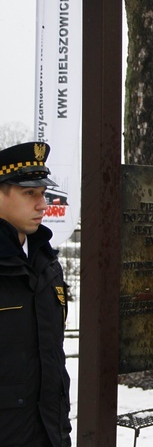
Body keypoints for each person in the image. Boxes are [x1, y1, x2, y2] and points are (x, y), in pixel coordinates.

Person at [0, 142, 72, 447]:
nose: (43, 204)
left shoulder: (46, 262)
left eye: (42, 194)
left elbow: (53, 360)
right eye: (30, 193)